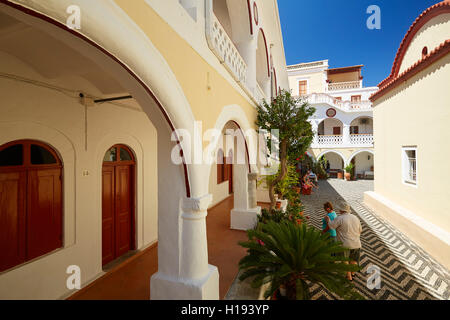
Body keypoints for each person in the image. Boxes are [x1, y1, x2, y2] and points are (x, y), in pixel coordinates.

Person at [325, 200, 362, 281]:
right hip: (356, 243)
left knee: (345, 260)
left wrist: (328, 220)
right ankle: (353, 273)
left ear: (341, 210)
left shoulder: (340, 218)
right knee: (353, 259)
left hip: (345, 244)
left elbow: (331, 226)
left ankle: (349, 277)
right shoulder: (355, 218)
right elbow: (360, 230)